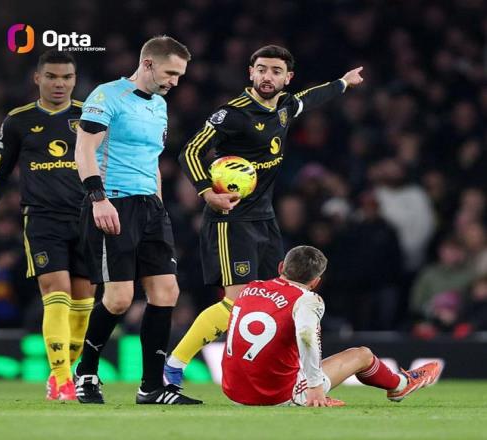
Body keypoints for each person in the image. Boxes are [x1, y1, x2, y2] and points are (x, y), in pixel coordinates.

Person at [165, 45, 364, 385]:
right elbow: (191, 151)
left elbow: (309, 99)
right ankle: (173, 366)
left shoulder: (284, 107)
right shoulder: (232, 114)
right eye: (261, 69)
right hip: (231, 220)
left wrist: (343, 83)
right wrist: (207, 192)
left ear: (288, 78)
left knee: (278, 299)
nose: (267, 76)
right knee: (237, 304)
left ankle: (282, 375)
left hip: (265, 219)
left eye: (275, 71)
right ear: (251, 73)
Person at [73, 35, 201, 405]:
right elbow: (84, 149)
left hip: (150, 207)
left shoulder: (159, 105)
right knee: (118, 299)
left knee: (167, 293)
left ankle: (151, 387)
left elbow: (152, 160)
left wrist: (158, 204)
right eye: (170, 73)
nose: (175, 81)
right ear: (147, 64)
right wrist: (98, 199)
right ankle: (86, 371)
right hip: (113, 203)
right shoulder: (106, 96)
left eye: (179, 75)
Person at [0, 50, 95, 400]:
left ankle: (60, 372)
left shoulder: (90, 117)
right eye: (51, 76)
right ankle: (63, 380)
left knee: (84, 302)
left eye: (66, 77)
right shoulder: (18, 121)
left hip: (87, 217)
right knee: (56, 292)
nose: (59, 84)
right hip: (42, 219)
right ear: (37, 78)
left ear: (74, 80)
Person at [222, 246, 441, 406]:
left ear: (281, 267)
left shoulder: (251, 287)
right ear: (316, 281)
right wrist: (315, 387)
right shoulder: (307, 299)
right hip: (274, 397)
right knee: (362, 355)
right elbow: (306, 336)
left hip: (233, 392)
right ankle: (400, 385)